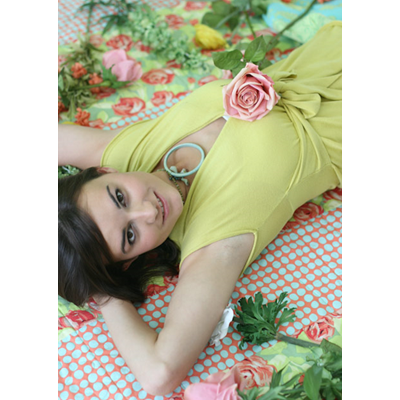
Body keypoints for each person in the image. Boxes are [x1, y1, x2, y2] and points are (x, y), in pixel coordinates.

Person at [58, 21, 342, 395]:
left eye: (120, 198)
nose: (147, 212)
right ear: (129, 261)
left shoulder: (127, 152)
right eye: (130, 236)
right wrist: (102, 287)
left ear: (105, 172)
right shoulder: (213, 241)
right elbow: (158, 373)